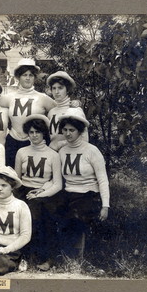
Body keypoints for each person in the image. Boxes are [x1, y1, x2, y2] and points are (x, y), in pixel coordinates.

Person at [49, 107, 109, 259]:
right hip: (69, 193)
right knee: (51, 212)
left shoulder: (91, 151)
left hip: (88, 194)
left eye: (72, 130)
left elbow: (102, 179)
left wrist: (105, 206)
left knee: (75, 217)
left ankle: (77, 259)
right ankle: (57, 256)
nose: (68, 134)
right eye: (65, 130)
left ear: (80, 131)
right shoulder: (62, 151)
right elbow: (56, 178)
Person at [14, 114, 62, 270]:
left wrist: (40, 193)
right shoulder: (21, 152)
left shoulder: (53, 155)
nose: (34, 135)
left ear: (44, 134)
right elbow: (16, 180)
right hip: (24, 190)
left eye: (38, 132)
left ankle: (47, 258)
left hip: (44, 191)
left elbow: (57, 184)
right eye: (31, 132)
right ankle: (22, 257)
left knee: (42, 216)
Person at [0, 58, 57, 167]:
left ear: (35, 77)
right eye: (24, 75)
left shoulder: (42, 98)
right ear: (18, 77)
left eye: (31, 75)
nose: (28, 78)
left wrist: (74, 104)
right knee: (10, 173)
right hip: (13, 142)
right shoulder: (9, 97)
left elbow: (59, 108)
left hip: (34, 142)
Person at [46, 71, 89, 151]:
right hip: (54, 156)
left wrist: (60, 144)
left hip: (71, 154)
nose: (56, 92)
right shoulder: (51, 112)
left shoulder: (75, 110)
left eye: (60, 88)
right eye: (54, 88)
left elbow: (84, 139)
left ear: (67, 89)